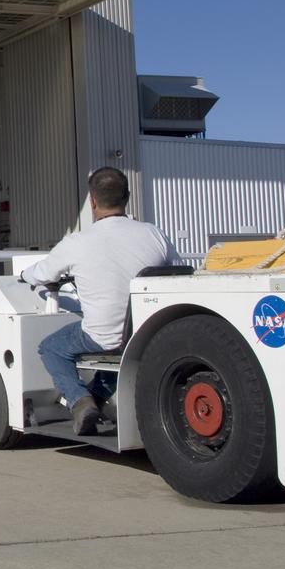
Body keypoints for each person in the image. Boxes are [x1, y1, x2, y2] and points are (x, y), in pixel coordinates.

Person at [20, 167, 178, 436]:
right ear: (127, 197)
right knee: (121, 354)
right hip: (146, 334)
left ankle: (79, 401)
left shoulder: (77, 242)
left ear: (92, 201)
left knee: (51, 348)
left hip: (104, 336)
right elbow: (179, 269)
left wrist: (24, 276)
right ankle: (96, 398)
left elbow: (43, 273)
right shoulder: (154, 234)